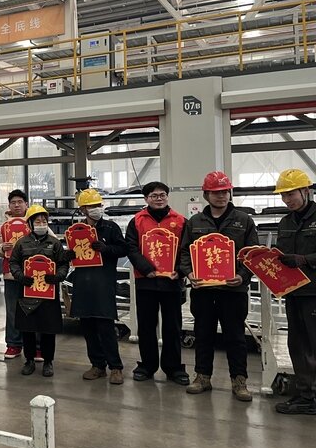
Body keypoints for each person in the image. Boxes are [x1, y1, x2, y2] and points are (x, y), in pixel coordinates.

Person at [179, 171, 258, 402]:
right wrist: (189, 273)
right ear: (206, 195)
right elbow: (184, 253)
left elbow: (253, 255)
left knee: (235, 337)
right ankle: (202, 377)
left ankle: (239, 381)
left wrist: (242, 277)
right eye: (215, 192)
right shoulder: (195, 222)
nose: (221, 196)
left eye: (224, 191)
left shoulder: (244, 220)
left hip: (233, 291)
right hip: (203, 290)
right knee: (203, 335)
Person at [125, 182, 189, 385]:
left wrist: (179, 271)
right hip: (146, 282)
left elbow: (187, 249)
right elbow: (131, 248)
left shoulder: (180, 221)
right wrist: (146, 269)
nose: (159, 198)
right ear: (146, 199)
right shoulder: (137, 221)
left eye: (162, 195)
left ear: (167, 197)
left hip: (172, 282)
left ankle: (174, 368)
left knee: (173, 326)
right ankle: (147, 365)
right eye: (154, 196)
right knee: (146, 326)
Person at [68, 189, 129, 385]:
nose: (96, 209)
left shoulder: (110, 228)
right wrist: (69, 255)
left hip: (103, 283)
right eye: (92, 206)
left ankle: (116, 367)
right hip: (83, 283)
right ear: (83, 209)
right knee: (88, 327)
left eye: (98, 205)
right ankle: (97, 365)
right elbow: (72, 252)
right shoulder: (76, 230)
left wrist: (106, 249)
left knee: (106, 327)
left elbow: (123, 249)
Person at [271, 169, 316, 415]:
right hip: (294, 292)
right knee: (297, 344)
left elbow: (301, 258)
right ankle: (305, 394)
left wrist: (305, 259)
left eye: (291, 194)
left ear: (305, 191)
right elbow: (281, 256)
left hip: (314, 292)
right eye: (283, 195)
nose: (287, 200)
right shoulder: (285, 222)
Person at [8, 205, 70, 377]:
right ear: (30, 223)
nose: (41, 224)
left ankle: (48, 361)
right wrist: (20, 276)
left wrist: (58, 277)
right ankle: (29, 360)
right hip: (27, 293)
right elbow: (13, 262)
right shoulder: (21, 243)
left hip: (48, 294)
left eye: (44, 221)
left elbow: (63, 263)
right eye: (37, 221)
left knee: (48, 329)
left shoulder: (54, 243)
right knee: (27, 328)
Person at [0, 189, 30, 360]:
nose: (16, 205)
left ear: (26, 204)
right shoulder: (3, 226)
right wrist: (2, 248)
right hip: (11, 274)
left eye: (20, 202)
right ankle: (13, 344)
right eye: (13, 202)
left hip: (32, 274)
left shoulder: (35, 222)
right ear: (9, 205)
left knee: (33, 309)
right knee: (12, 310)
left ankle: (36, 346)